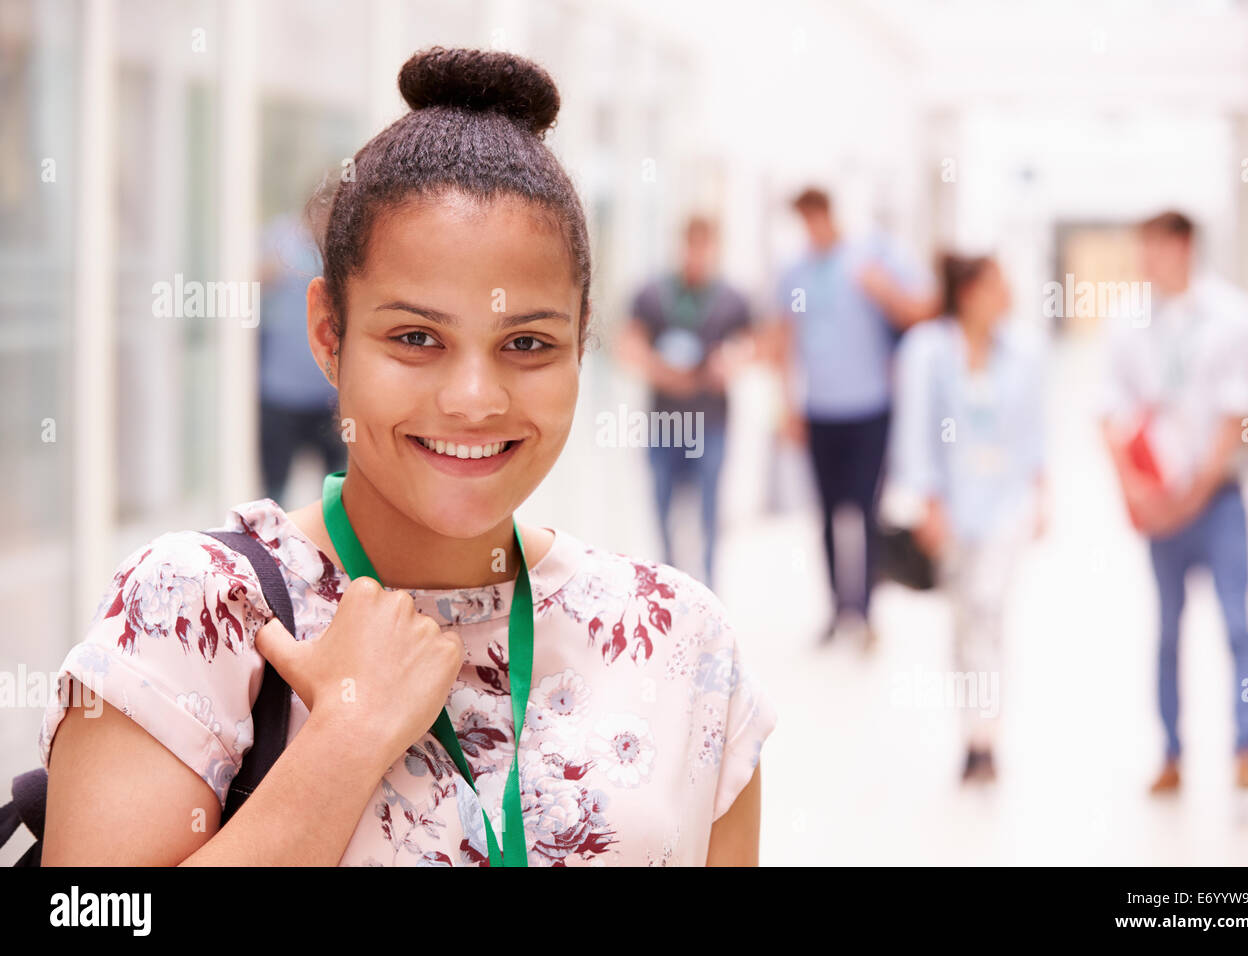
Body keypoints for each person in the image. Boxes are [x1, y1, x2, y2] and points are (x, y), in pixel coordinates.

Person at [37, 47, 776, 867]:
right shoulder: (198, 613)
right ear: (330, 333)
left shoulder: (682, 643)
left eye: (526, 342)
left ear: (582, 341)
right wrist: (344, 741)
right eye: (416, 338)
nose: (473, 398)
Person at [1099, 210, 1248, 794]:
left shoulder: (1233, 315)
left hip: (1216, 499)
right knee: (1168, 630)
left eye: (1155, 246)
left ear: (1184, 245)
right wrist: (1135, 489)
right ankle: (1170, 751)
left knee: (1237, 621)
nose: (1146, 259)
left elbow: (1239, 416)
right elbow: (1109, 410)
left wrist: (1194, 491)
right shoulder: (1126, 322)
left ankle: (1247, 744)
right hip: (1158, 506)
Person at [888, 254, 1047, 783]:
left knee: (988, 607)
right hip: (953, 505)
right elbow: (914, 431)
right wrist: (927, 502)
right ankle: (973, 733)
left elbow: (1033, 431)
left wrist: (1041, 493)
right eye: (998, 285)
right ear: (970, 292)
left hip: (1007, 503)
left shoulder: (1022, 352)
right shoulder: (928, 351)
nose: (1009, 295)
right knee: (965, 621)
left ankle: (989, 734)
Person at [773, 188, 937, 646]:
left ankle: (865, 612)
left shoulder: (871, 256)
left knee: (864, 511)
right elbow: (784, 340)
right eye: (804, 222)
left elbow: (923, 311)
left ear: (830, 213)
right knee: (826, 514)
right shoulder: (795, 272)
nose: (812, 230)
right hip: (819, 409)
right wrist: (786, 406)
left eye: (816, 219)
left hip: (870, 407)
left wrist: (884, 291)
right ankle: (836, 608)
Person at [618, 215, 753, 592]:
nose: (697, 256)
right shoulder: (652, 294)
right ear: (681, 246)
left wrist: (730, 362)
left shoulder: (731, 299)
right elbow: (627, 344)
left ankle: (708, 590)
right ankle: (669, 587)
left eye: (705, 247)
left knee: (710, 511)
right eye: (692, 246)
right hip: (665, 424)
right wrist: (660, 371)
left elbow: (750, 345)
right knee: (663, 507)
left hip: (711, 423)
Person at [258, 211, 348, 502]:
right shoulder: (280, 241)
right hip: (280, 393)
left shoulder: (348, 251)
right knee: (274, 488)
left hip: (329, 395)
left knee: (338, 488)